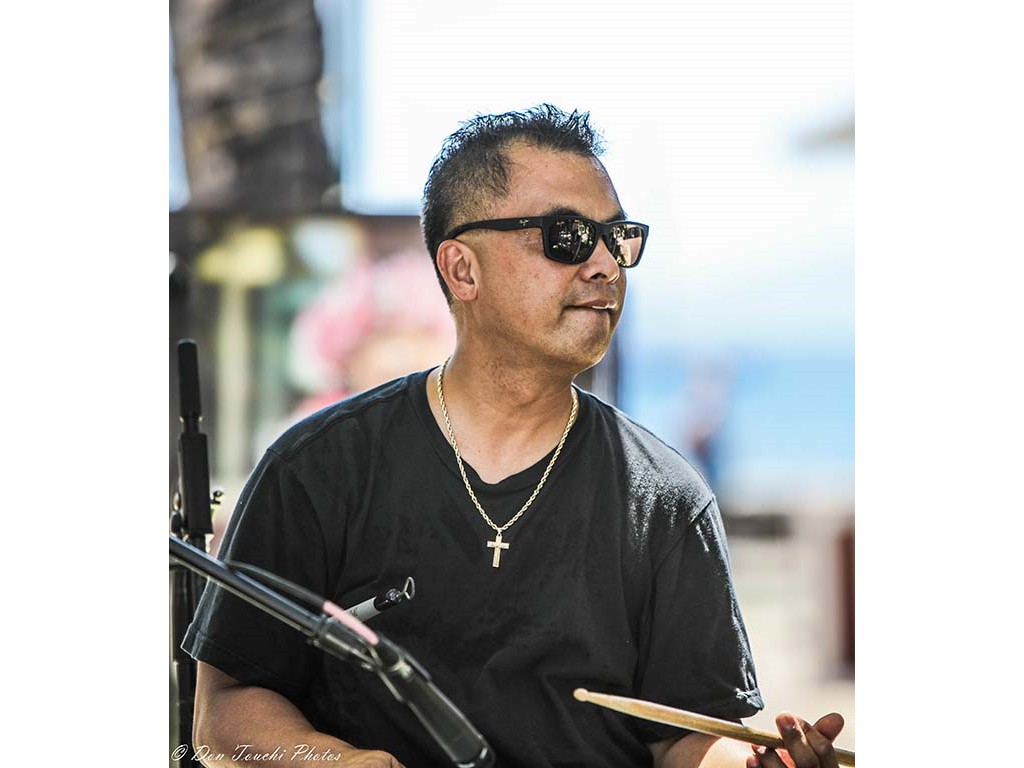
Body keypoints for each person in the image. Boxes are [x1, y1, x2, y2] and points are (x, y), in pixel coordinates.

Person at [183, 104, 846, 768]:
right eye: (567, 237)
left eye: (618, 239)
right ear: (462, 269)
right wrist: (338, 762)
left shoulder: (667, 500)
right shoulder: (317, 468)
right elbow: (223, 713)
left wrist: (756, 764)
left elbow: (688, 738)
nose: (605, 266)